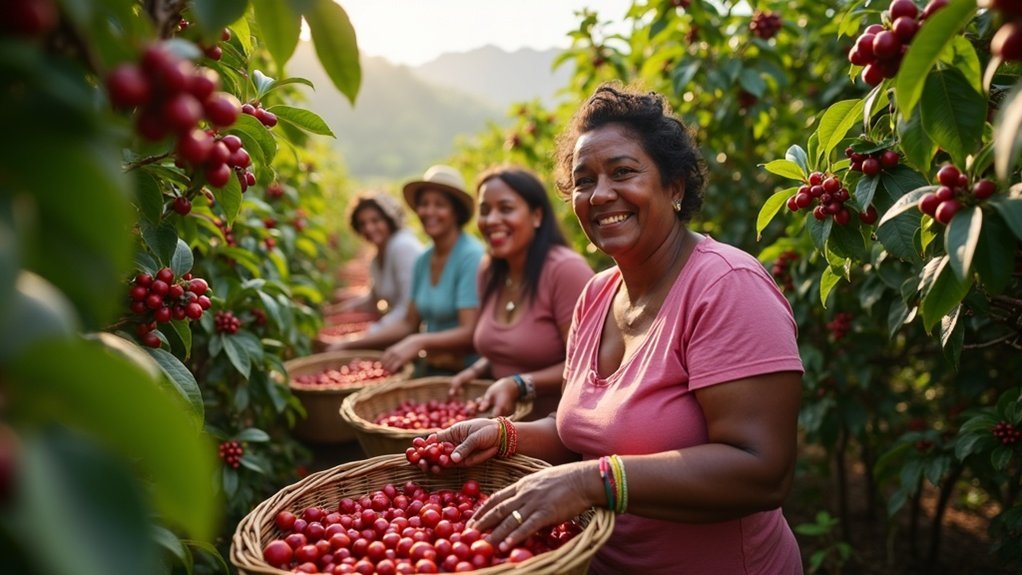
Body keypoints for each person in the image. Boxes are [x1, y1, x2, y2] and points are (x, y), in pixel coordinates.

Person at [436, 84, 805, 574]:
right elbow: (586, 433)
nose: (601, 194)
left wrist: (592, 482)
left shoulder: (727, 286)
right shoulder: (597, 294)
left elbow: (761, 472)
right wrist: (504, 435)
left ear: (674, 187)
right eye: (584, 180)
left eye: (623, 172)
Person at [447, 165, 594, 418]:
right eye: (484, 211)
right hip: (501, 422)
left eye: (505, 209)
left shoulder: (564, 271)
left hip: (555, 428)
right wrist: (476, 371)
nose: (491, 220)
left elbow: (589, 365)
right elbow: (511, 353)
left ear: (537, 216)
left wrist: (519, 384)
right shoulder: (490, 271)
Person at [325, 165, 484, 377]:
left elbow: (469, 331)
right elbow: (409, 321)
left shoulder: (470, 256)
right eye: (424, 204)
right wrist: (348, 342)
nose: (429, 212)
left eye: (440, 205)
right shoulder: (424, 259)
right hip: (434, 366)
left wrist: (419, 340)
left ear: (456, 211)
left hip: (468, 372)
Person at [322, 191, 424, 335]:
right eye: (362, 223)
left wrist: (364, 335)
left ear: (389, 220)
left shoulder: (402, 247)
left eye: (375, 221)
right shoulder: (378, 257)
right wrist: (332, 312)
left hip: (417, 334)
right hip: (402, 331)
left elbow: (407, 311)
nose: (368, 228)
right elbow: (372, 300)